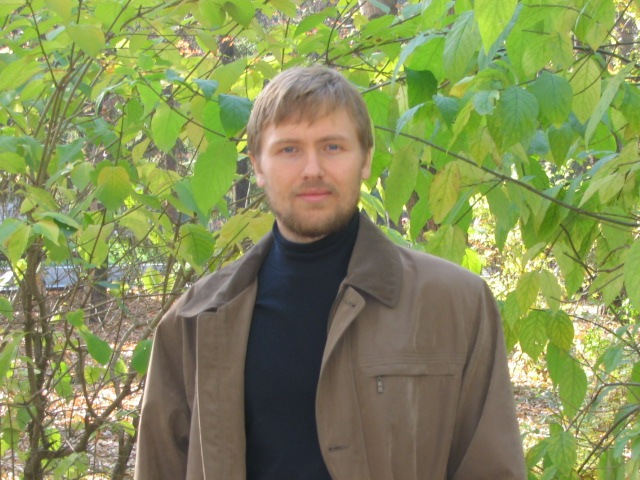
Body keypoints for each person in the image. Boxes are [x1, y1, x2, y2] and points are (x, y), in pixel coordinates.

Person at [134, 66, 526, 480]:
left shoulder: (455, 304)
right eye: (289, 149)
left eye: (333, 146)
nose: (312, 169)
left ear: (366, 158)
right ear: (257, 165)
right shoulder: (195, 323)